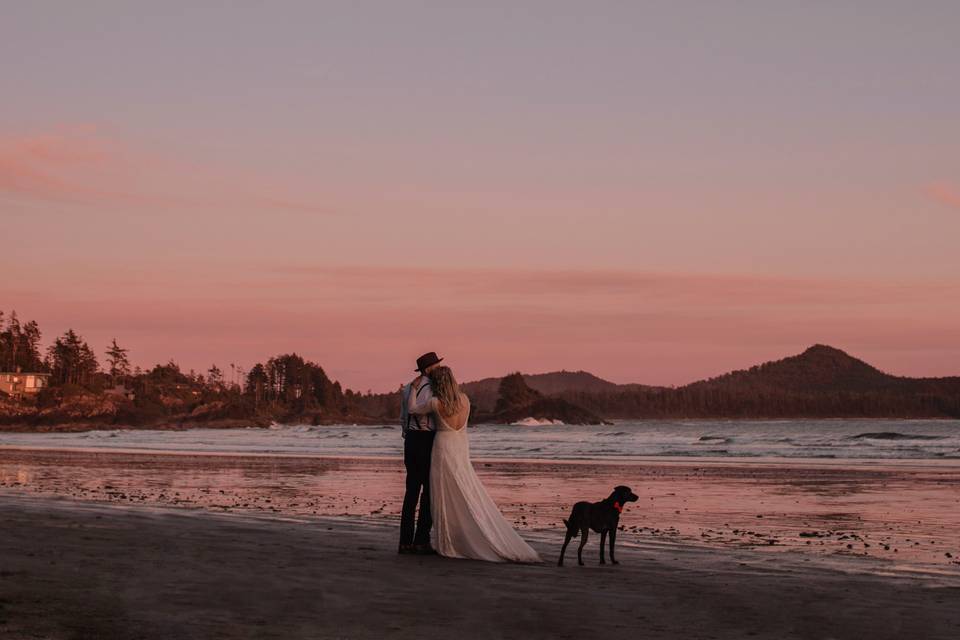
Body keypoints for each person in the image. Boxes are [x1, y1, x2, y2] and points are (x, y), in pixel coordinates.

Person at [407, 364, 542, 563]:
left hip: (443, 447)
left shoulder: (435, 403)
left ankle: (449, 543)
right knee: (466, 488)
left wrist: (413, 388)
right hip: (460, 446)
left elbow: (411, 409)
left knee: (443, 494)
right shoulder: (465, 400)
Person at [398, 351, 443, 555]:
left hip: (411, 441)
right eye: (436, 366)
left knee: (411, 491)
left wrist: (407, 433)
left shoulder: (408, 387)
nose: (439, 369)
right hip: (426, 439)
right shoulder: (432, 388)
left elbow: (402, 417)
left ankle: (405, 542)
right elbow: (428, 414)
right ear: (428, 369)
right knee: (429, 491)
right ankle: (421, 540)